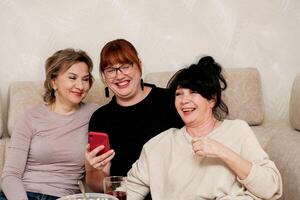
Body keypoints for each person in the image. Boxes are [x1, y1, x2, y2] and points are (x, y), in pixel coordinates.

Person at [126, 56, 282, 200]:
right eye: (179, 94)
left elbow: (270, 188)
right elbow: (127, 192)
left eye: (194, 92)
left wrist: (222, 151)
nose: (184, 100)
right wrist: (101, 175)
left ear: (212, 100)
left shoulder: (237, 130)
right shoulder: (160, 145)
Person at [85, 39, 183, 193]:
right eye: (110, 70)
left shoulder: (171, 101)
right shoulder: (101, 117)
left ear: (139, 65)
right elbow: (99, 187)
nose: (119, 76)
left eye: (125, 66)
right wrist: (92, 169)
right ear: (104, 76)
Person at [0, 48, 99, 200]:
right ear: (54, 82)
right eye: (72, 78)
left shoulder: (95, 114)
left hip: (64, 197)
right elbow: (11, 175)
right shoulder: (30, 117)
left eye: (85, 79)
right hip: (22, 194)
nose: (80, 86)